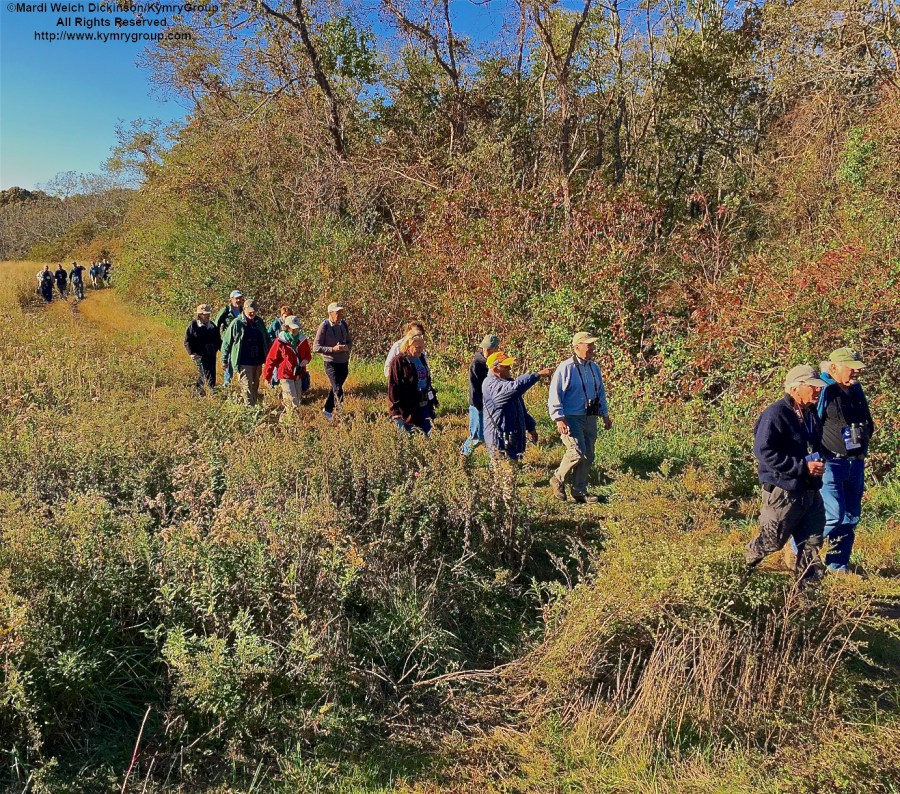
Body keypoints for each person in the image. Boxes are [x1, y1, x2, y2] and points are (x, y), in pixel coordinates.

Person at [745, 365, 828, 585]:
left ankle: (806, 601)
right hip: (783, 492)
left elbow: (813, 445)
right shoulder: (776, 413)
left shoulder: (810, 413)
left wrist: (819, 463)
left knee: (812, 544)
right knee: (772, 542)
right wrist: (802, 467)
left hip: (810, 492)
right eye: (813, 387)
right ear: (795, 387)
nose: (818, 391)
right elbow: (763, 451)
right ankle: (739, 572)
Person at [815, 348, 876, 572]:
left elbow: (867, 420)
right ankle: (797, 549)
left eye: (858, 368)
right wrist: (813, 460)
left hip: (855, 462)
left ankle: (837, 566)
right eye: (851, 368)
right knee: (833, 515)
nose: (856, 373)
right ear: (834, 367)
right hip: (830, 462)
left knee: (850, 517)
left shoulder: (856, 389)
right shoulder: (823, 390)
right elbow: (812, 426)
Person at [547, 332, 612, 504]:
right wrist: (559, 418)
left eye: (592, 345)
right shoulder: (565, 367)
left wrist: (605, 415)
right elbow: (555, 394)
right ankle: (558, 479)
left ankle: (579, 491)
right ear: (577, 347)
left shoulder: (594, 367)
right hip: (571, 417)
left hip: (590, 416)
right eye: (588, 345)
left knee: (588, 454)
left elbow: (600, 393)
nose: (592, 348)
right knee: (576, 452)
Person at [482, 352, 552, 461]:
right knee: (504, 473)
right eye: (505, 366)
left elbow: (521, 410)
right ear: (495, 369)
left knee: (512, 472)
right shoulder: (492, 385)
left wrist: (531, 427)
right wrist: (537, 375)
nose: (510, 368)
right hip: (499, 439)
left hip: (511, 438)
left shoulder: (506, 382)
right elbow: (515, 387)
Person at [221, 299, 270, 406]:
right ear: (244, 309)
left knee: (254, 387)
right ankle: (250, 411)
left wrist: (269, 358)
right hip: (243, 362)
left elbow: (266, 339)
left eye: (254, 311)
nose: (252, 313)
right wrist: (224, 360)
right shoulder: (237, 323)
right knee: (246, 387)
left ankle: (254, 408)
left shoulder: (259, 322)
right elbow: (226, 342)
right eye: (250, 311)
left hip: (257, 361)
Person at [388, 333, 437, 434]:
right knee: (410, 434)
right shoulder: (398, 361)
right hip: (407, 405)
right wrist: (395, 410)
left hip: (423, 402)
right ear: (408, 345)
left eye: (422, 347)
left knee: (428, 432)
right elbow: (393, 386)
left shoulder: (421, 357)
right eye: (417, 347)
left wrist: (433, 398)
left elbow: (427, 379)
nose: (420, 349)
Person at [263, 315, 312, 412]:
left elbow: (308, 355)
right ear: (287, 328)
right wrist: (267, 377)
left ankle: (285, 421)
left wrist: (304, 361)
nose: (295, 331)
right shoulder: (280, 341)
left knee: (297, 401)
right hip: (285, 375)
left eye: (297, 328)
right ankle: (291, 424)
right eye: (292, 328)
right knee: (291, 402)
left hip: (298, 375)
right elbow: (271, 359)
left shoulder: (302, 340)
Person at [460, 334, 499, 456]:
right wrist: (479, 406)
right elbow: (474, 388)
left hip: (492, 405)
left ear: (496, 349)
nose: (486, 351)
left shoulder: (497, 362)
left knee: (493, 436)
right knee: (477, 436)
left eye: (489, 349)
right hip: (478, 406)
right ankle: (463, 456)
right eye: (484, 348)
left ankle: (496, 464)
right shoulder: (476, 364)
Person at [313, 302, 352, 420]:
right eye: (337, 312)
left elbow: (350, 342)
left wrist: (346, 347)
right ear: (330, 313)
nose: (340, 314)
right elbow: (316, 347)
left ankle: (327, 410)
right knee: (338, 388)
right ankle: (341, 414)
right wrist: (332, 349)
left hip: (344, 362)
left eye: (341, 312)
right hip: (330, 363)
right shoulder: (324, 326)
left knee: (335, 387)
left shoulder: (344, 324)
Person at [184, 304, 222, 393]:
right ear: (200, 315)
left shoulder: (212, 326)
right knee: (204, 374)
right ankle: (199, 393)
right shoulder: (193, 325)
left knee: (212, 374)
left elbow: (218, 340)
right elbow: (187, 341)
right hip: (199, 355)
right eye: (205, 314)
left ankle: (211, 392)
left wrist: (223, 351)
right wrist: (191, 353)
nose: (208, 315)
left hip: (211, 354)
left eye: (208, 313)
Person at [215, 290, 245, 386]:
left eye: (240, 298)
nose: (238, 300)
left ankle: (241, 384)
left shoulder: (243, 310)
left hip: (240, 341)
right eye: (236, 298)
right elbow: (216, 325)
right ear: (231, 299)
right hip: (228, 341)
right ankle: (227, 385)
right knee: (228, 363)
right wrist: (219, 340)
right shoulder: (226, 310)